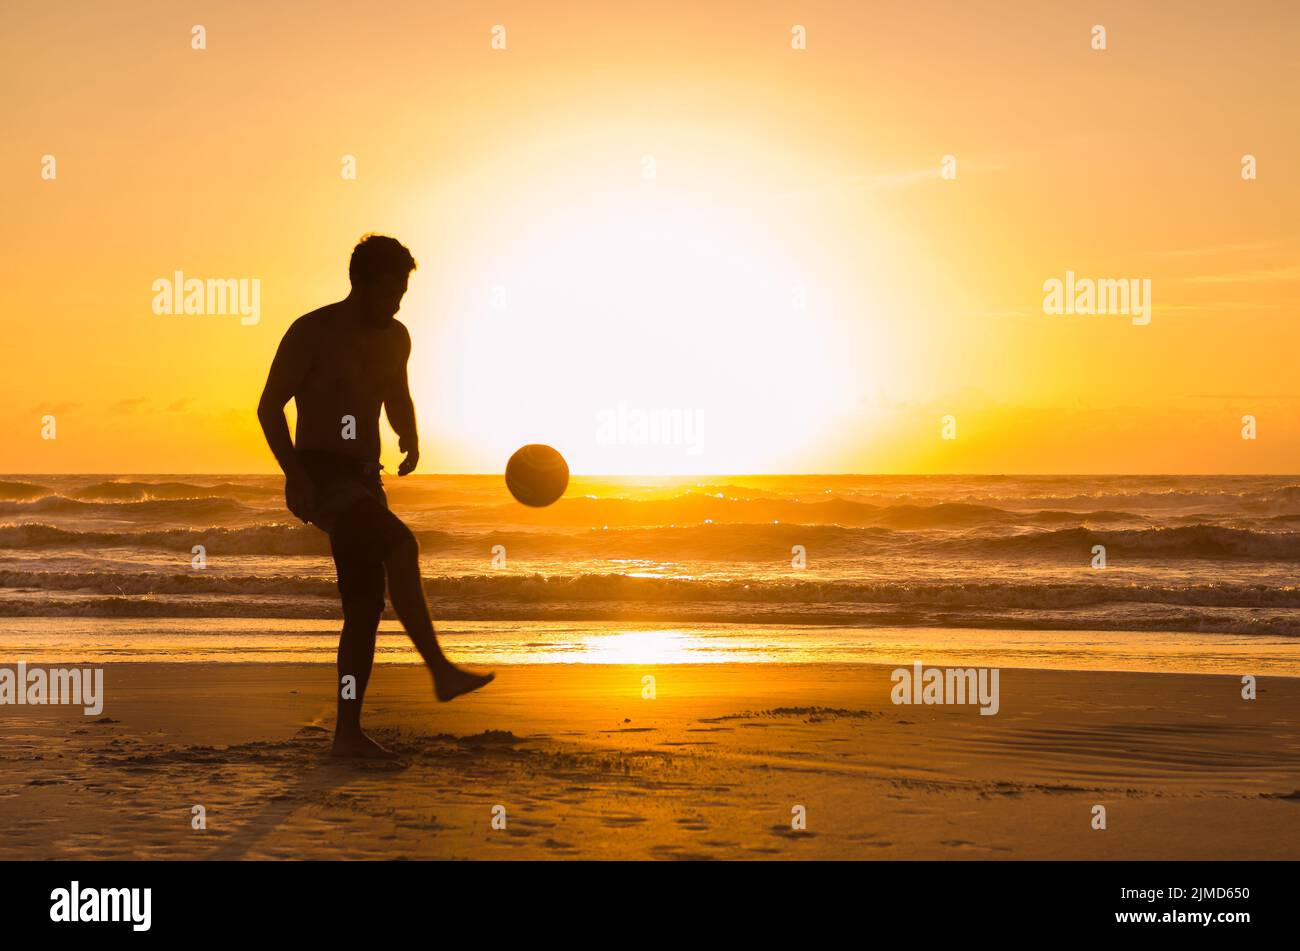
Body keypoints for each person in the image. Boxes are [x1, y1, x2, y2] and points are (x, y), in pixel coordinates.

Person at [257, 234, 493, 759]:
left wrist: (409, 435)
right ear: (357, 283)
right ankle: (441, 672)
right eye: (386, 293)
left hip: (366, 478)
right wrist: (295, 477)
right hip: (321, 475)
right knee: (401, 545)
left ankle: (347, 736)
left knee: (364, 608)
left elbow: (396, 394)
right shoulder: (312, 331)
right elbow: (269, 408)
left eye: (402, 294)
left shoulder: (396, 337)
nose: (395, 304)